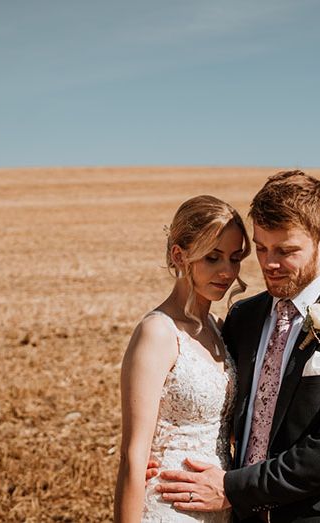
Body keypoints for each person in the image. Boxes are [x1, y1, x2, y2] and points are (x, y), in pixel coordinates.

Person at [153, 170, 320, 522]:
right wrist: (163, 455)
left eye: (285, 251)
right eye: (261, 248)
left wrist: (232, 489)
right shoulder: (243, 317)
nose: (269, 263)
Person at [114, 195, 252, 522]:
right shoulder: (157, 333)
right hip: (169, 507)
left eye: (234, 259)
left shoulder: (220, 329)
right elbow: (133, 457)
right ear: (180, 255)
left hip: (220, 507)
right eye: (213, 258)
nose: (227, 272)